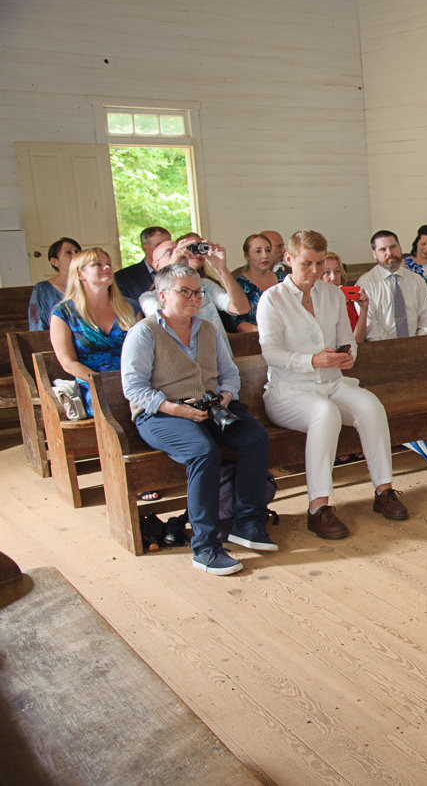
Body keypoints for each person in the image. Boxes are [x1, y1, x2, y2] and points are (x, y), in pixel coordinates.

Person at [121, 262, 276, 575]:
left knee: (255, 439)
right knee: (202, 452)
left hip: (209, 407)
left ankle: (247, 523)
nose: (194, 298)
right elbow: (133, 388)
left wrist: (226, 396)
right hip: (160, 414)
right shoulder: (144, 333)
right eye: (185, 292)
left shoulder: (207, 330)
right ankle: (205, 547)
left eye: (198, 292)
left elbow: (229, 373)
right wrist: (175, 408)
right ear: (162, 296)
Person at [256, 230, 409, 541]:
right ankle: (318, 508)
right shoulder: (273, 299)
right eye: (306, 264)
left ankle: (384, 491)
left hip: (332, 382)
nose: (314, 271)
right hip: (290, 391)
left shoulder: (333, 294)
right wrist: (312, 360)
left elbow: (346, 339)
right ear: (288, 259)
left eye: (320, 263)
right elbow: (270, 352)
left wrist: (347, 354)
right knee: (324, 413)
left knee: (370, 405)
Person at [48, 247, 141, 415]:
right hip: (94, 384)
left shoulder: (130, 307)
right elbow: (68, 362)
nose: (107, 268)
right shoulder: (64, 313)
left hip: (134, 380)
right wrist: (103, 383)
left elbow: (145, 350)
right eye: (97, 264)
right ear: (80, 274)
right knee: (111, 406)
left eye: (109, 264)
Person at [138, 234, 249, 342]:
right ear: (156, 265)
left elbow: (241, 308)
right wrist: (173, 265)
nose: (178, 254)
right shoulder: (148, 298)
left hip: (216, 357)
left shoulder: (206, 285)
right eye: (169, 253)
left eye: (179, 250)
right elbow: (160, 318)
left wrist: (221, 269)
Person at [354, 230, 427, 341]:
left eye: (393, 247)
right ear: (374, 254)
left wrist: (420, 344)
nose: (389, 253)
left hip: (417, 347)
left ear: (400, 247)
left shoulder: (416, 280)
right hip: (381, 349)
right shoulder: (365, 284)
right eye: (383, 249)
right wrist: (393, 348)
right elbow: (370, 325)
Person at [228, 233, 284, 332]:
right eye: (258, 251)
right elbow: (238, 323)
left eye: (268, 250)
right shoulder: (239, 284)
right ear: (247, 256)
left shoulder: (283, 279)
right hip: (255, 338)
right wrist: (265, 334)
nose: (265, 255)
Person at [28, 236, 80, 330]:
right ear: (54, 261)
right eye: (68, 252)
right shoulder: (42, 289)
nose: (75, 255)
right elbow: (37, 325)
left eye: (77, 252)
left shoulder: (89, 285)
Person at [321, 253, 369, 343]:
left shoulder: (348, 302)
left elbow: (357, 340)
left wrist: (364, 309)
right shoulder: (314, 302)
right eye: (327, 272)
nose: (333, 278)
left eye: (337, 271)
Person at [115, 226, 171, 300]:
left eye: (168, 245)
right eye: (159, 245)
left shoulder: (181, 271)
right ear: (145, 248)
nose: (166, 249)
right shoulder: (123, 277)